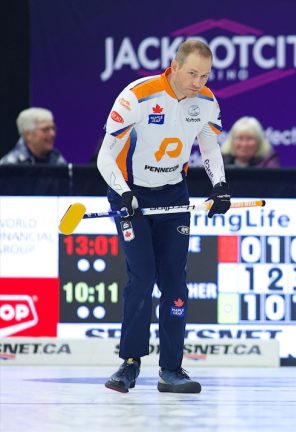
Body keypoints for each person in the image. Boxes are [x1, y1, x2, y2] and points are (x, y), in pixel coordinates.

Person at [96, 40, 231, 394]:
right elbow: (104, 156)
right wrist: (123, 194)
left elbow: (210, 147)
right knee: (142, 279)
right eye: (192, 73)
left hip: (174, 194)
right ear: (174, 65)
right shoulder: (136, 97)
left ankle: (171, 369)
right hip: (131, 191)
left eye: (204, 75)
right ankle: (129, 364)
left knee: (175, 283)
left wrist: (220, 187)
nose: (198, 82)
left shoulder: (205, 103)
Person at [0, 107, 66, 165]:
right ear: (28, 135)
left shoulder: (58, 160)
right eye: (45, 130)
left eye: (53, 129)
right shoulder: (9, 165)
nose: (52, 134)